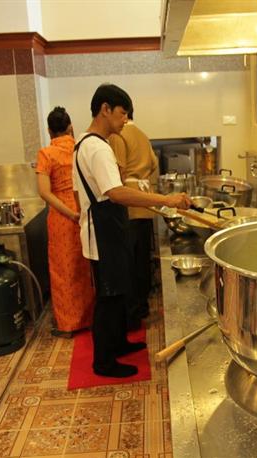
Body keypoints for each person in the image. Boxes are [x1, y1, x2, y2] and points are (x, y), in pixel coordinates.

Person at [73, 84, 191, 378]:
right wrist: (167, 200)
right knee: (108, 298)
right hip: (103, 234)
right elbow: (116, 193)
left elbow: (92, 191)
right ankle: (104, 362)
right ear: (105, 109)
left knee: (117, 294)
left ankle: (118, 344)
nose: (125, 119)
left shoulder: (84, 143)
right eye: (122, 113)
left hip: (104, 229)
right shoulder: (98, 147)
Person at [36, 107, 95, 338]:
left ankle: (69, 324)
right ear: (70, 127)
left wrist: (69, 213)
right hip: (83, 208)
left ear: (49, 130)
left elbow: (44, 192)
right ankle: (89, 317)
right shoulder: (79, 148)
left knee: (63, 271)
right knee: (84, 266)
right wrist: (78, 211)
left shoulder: (46, 154)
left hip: (62, 217)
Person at [108, 108, 158, 330]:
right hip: (145, 204)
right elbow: (154, 165)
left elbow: (117, 173)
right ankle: (142, 306)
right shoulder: (143, 135)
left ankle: (132, 314)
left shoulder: (118, 136)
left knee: (128, 264)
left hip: (129, 205)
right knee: (142, 261)